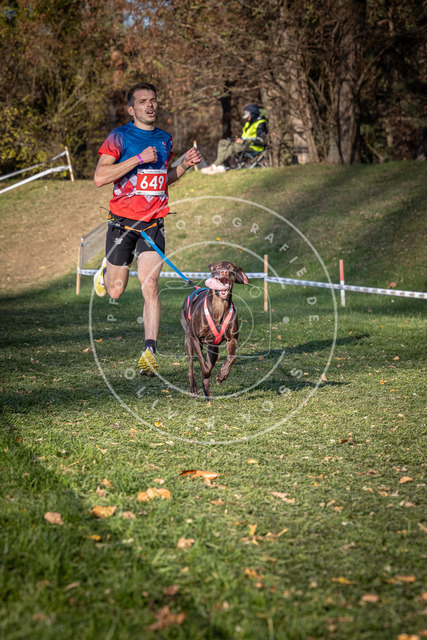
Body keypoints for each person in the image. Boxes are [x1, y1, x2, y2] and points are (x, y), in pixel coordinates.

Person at [93, 81, 201, 376]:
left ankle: (150, 352)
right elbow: (100, 177)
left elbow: (162, 179)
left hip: (153, 223)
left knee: (150, 284)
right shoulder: (119, 136)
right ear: (131, 109)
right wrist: (138, 158)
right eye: (142, 101)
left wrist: (185, 165)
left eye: (153, 100)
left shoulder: (165, 139)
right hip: (121, 224)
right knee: (115, 291)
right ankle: (105, 271)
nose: (150, 105)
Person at [200, 104, 268, 175]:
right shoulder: (248, 123)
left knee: (231, 147)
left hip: (254, 148)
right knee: (222, 142)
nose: (247, 118)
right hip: (244, 145)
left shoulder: (261, 124)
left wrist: (244, 141)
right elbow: (245, 136)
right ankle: (220, 166)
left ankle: (214, 166)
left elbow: (261, 141)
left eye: (248, 116)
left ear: (253, 114)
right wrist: (239, 139)